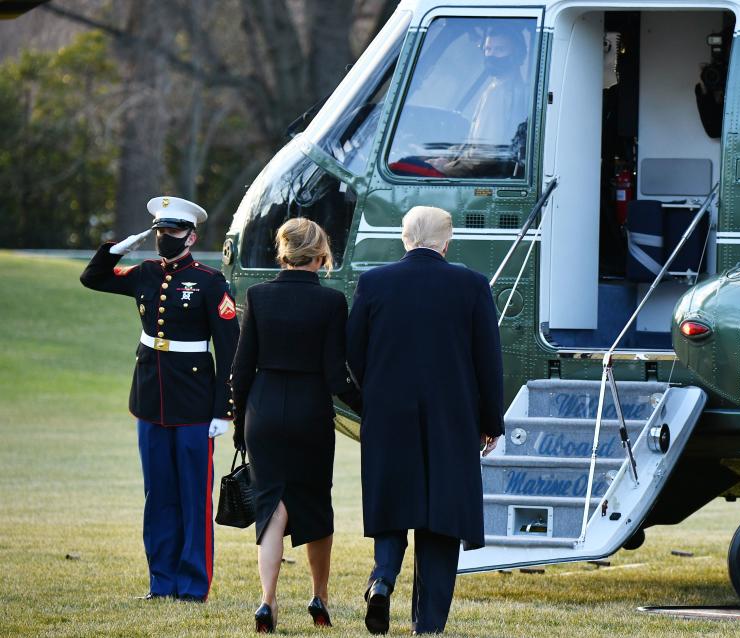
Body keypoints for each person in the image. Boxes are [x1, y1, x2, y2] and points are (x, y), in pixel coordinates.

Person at [346, 206, 504, 635]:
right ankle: (428, 622)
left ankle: (382, 579)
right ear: (447, 242)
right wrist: (491, 420)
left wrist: (375, 394)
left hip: (387, 415)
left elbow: (353, 353)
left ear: (405, 238)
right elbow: (488, 362)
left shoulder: (373, 283)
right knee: (441, 517)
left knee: (393, 504)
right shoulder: (472, 286)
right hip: (453, 420)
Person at [79, 196, 239, 602]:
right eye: (161, 231)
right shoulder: (145, 273)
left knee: (192, 497)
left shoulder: (209, 281)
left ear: (192, 236)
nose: (165, 238)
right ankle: (161, 582)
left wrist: (224, 409)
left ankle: (192, 585)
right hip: (150, 399)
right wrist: (117, 249)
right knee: (158, 495)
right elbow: (92, 278)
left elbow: (230, 348)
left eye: (173, 231)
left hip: (194, 404)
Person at [230, 218, 361, 633]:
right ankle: (319, 596)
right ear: (322, 256)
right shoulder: (331, 303)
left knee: (271, 507)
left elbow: (240, 368)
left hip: (263, 411)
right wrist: (370, 407)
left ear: (282, 253)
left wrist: (239, 425)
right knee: (316, 505)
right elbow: (337, 377)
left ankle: (267, 602)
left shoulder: (258, 296)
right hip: (310, 412)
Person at [426, 27, 530, 178]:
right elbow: (476, 145)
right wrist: (447, 156)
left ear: (517, 54)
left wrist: (445, 169)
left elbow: (484, 155)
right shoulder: (509, 87)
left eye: (499, 50)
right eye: (488, 49)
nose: (491, 55)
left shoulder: (498, 93)